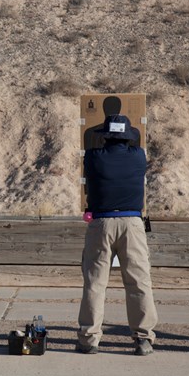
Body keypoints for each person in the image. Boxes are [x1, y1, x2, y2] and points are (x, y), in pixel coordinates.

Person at [77, 114, 157, 356]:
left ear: (106, 136)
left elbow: (90, 137)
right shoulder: (138, 156)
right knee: (138, 282)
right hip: (133, 223)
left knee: (95, 282)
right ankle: (143, 339)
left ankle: (89, 338)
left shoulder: (92, 157)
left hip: (101, 223)